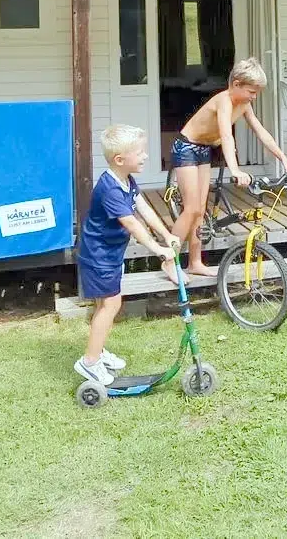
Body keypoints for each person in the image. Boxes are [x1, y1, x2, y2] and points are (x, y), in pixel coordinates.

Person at [167, 58, 287, 277]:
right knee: (190, 209)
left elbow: (260, 131)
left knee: (200, 209)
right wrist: (235, 170)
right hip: (186, 147)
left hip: (204, 149)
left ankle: (195, 262)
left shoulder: (244, 104)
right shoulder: (224, 101)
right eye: (251, 91)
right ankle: (169, 261)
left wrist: (283, 158)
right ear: (236, 84)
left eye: (256, 93)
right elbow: (226, 135)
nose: (254, 97)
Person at [74, 123, 182, 385]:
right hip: (99, 256)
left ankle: (97, 352)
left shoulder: (125, 179)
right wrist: (157, 249)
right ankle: (89, 362)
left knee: (106, 305)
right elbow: (131, 223)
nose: (146, 156)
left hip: (109, 253)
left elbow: (142, 208)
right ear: (120, 159)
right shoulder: (110, 189)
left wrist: (166, 234)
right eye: (141, 152)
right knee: (111, 305)